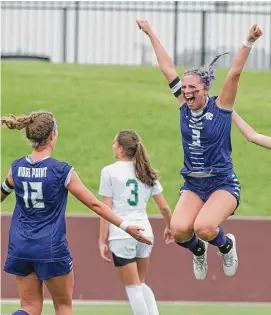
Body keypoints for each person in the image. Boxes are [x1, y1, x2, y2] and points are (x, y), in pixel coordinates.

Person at [136, 19, 262, 280]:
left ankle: (226, 246)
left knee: (204, 227)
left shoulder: (222, 108)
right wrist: (150, 32)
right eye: (185, 88)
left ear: (205, 89)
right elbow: (166, 67)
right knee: (180, 230)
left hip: (222, 183)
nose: (188, 92)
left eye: (193, 88)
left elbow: (234, 73)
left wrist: (248, 41)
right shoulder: (184, 105)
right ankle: (198, 251)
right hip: (193, 184)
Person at [1, 111, 151, 315]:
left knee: (29, 307)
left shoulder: (16, 168)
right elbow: (95, 204)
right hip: (51, 247)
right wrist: (126, 226)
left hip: (20, 246)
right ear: (53, 135)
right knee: (63, 306)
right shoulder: (61, 171)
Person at [98, 130, 173, 315]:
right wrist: (170, 227)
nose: (113, 147)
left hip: (122, 235)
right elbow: (164, 207)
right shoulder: (146, 171)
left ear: (121, 149)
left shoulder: (109, 171)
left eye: (115, 144)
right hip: (145, 234)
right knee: (140, 284)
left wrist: (101, 240)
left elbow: (105, 211)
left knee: (133, 288)